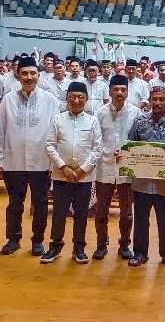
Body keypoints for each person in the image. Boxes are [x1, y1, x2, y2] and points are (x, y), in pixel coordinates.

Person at [0, 57, 60, 256]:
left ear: (39, 75)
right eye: (24, 73)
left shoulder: (49, 100)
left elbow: (55, 132)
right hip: (13, 161)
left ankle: (37, 241)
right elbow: (1, 131)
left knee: (40, 203)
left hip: (41, 162)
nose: (29, 77)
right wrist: (1, 158)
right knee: (15, 203)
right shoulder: (8, 99)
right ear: (18, 75)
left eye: (33, 73)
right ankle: (13, 239)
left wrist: (54, 161)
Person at [41, 82, 103, 264]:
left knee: (81, 214)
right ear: (67, 99)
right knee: (59, 213)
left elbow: (97, 149)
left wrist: (83, 170)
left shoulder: (92, 121)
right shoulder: (57, 119)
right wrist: (63, 167)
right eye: (72, 97)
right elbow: (49, 145)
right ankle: (55, 246)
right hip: (62, 177)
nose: (76, 101)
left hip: (84, 178)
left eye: (80, 97)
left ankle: (79, 248)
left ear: (86, 99)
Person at [127, 87, 165, 268]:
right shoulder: (139, 122)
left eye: (162, 99)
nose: (158, 103)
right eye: (154, 99)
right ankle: (140, 253)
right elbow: (131, 146)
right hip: (142, 181)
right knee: (141, 219)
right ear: (150, 100)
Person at [92, 75, 141, 261]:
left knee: (127, 213)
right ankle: (101, 244)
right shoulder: (100, 113)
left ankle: (124, 245)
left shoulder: (136, 113)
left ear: (128, 92)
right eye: (116, 90)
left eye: (123, 90)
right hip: (104, 167)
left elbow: (140, 141)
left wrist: (129, 154)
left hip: (127, 168)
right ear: (110, 91)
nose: (119, 93)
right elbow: (95, 141)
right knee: (101, 209)